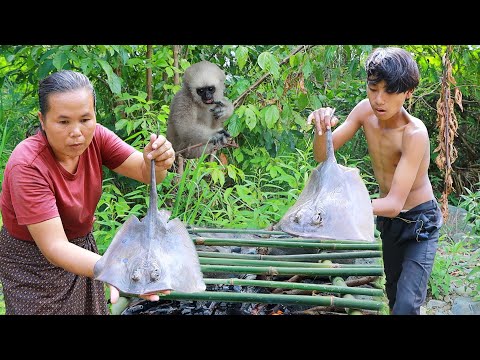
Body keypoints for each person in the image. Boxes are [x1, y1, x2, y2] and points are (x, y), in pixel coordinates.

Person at [0, 70, 176, 315]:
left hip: (81, 251)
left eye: (85, 119)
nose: (77, 132)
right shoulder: (28, 165)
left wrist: (157, 161)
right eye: (63, 122)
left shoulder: (97, 138)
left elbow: (145, 172)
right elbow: (55, 247)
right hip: (33, 262)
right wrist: (117, 268)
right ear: (42, 120)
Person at [307, 47, 443, 315]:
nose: (379, 99)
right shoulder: (364, 111)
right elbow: (322, 155)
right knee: (392, 295)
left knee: (406, 306)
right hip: (389, 224)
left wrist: (343, 204)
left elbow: (394, 203)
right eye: (373, 88)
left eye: (390, 91)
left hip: (420, 225)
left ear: (408, 92)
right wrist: (322, 128)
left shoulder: (414, 133)